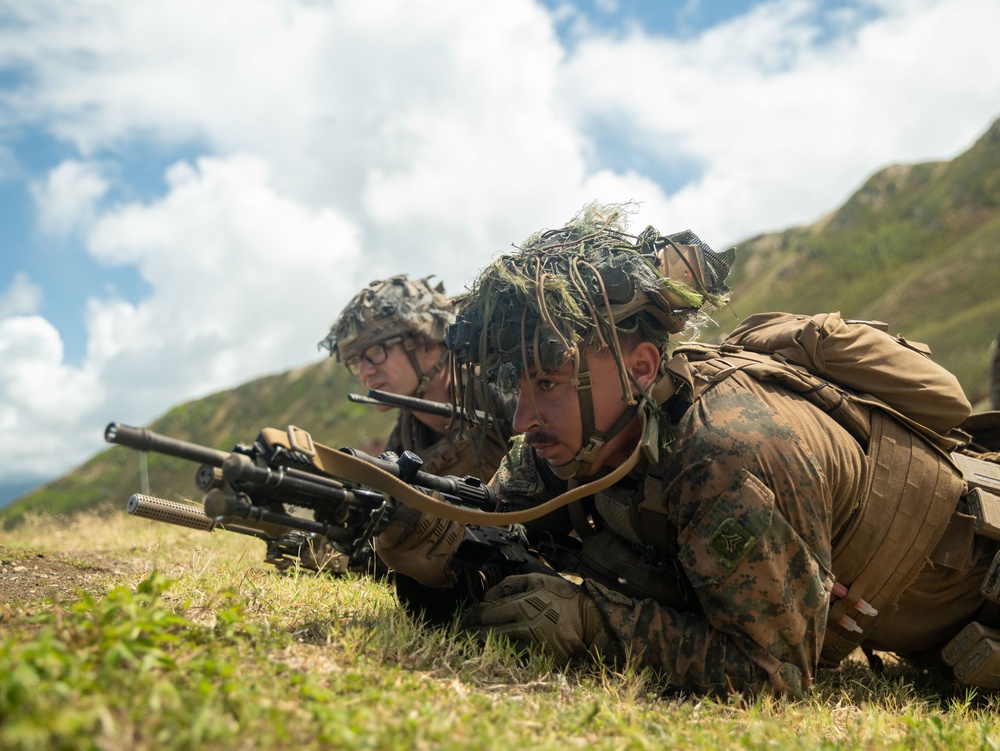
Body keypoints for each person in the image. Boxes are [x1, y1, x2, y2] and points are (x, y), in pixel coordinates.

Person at [374, 203, 1000, 698]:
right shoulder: (569, 441)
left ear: (642, 367)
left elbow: (772, 675)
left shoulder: (727, 450)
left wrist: (593, 625)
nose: (522, 418)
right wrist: (431, 552)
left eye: (548, 382)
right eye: (516, 385)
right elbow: (500, 525)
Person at [318, 274, 517, 586]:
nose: (366, 370)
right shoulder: (406, 438)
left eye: (377, 351)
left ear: (426, 343)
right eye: (358, 360)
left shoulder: (498, 390)